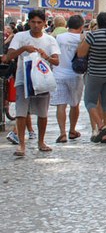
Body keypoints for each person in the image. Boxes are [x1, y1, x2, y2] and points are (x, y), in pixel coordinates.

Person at [5, 9, 60, 156]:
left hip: (42, 80)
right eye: (33, 22)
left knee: (42, 113)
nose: (36, 25)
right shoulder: (20, 36)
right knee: (21, 112)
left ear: (43, 23)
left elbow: (57, 60)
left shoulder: (50, 40)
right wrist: (23, 48)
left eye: (39, 22)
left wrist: (46, 56)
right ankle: (21, 144)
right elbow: (9, 55)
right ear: (29, 22)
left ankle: (41, 141)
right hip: (23, 79)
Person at [77, 12, 106, 144]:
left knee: (90, 102)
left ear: (98, 23)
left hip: (95, 74)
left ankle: (101, 126)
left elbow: (81, 54)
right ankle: (105, 134)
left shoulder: (92, 36)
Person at [51, 14, 85, 143]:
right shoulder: (83, 38)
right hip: (75, 75)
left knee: (61, 104)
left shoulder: (58, 37)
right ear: (81, 26)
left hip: (58, 74)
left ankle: (62, 133)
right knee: (74, 104)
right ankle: (72, 130)